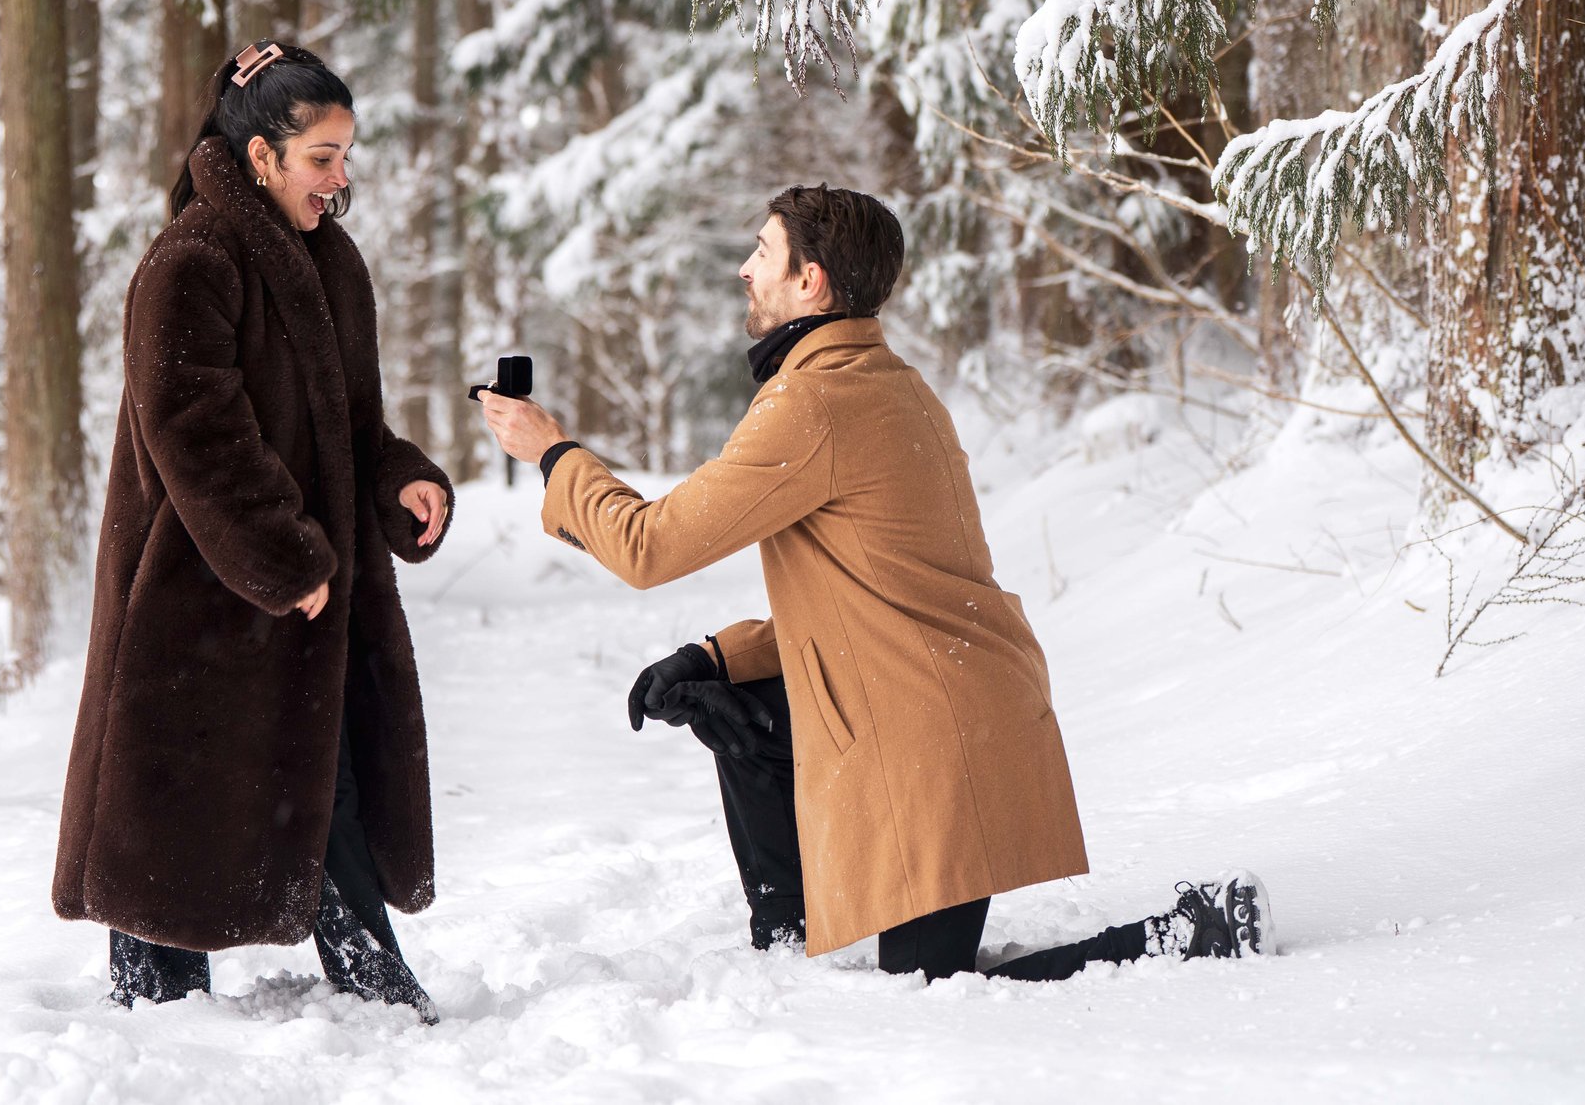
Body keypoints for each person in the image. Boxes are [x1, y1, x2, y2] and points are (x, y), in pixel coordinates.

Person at [478, 184, 1273, 982]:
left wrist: (552, 453)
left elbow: (645, 546)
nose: (744, 269)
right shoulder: (886, 383)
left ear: (810, 281)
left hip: (935, 740)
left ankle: (1192, 930)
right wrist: (717, 658)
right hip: (948, 703)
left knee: (935, 986)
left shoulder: (814, 399)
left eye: (762, 252)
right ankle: (788, 940)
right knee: (736, 706)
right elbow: (869, 594)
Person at [52, 40, 452, 1020]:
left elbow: (354, 424)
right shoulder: (189, 261)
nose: (340, 177)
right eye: (322, 156)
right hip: (196, 597)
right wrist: (283, 556)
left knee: (328, 782)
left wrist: (403, 480)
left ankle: (374, 980)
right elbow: (196, 435)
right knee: (176, 797)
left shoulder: (331, 263)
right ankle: (153, 1011)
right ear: (260, 153)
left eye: (345, 154)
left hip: (308, 585)